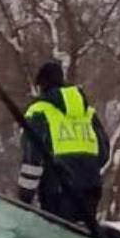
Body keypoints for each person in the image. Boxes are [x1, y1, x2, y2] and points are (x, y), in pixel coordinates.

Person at [18, 60, 109, 224]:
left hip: (57, 191)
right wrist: (84, 168)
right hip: (91, 189)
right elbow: (103, 153)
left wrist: (24, 196)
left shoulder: (39, 111)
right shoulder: (87, 111)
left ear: (41, 86)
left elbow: (32, 157)